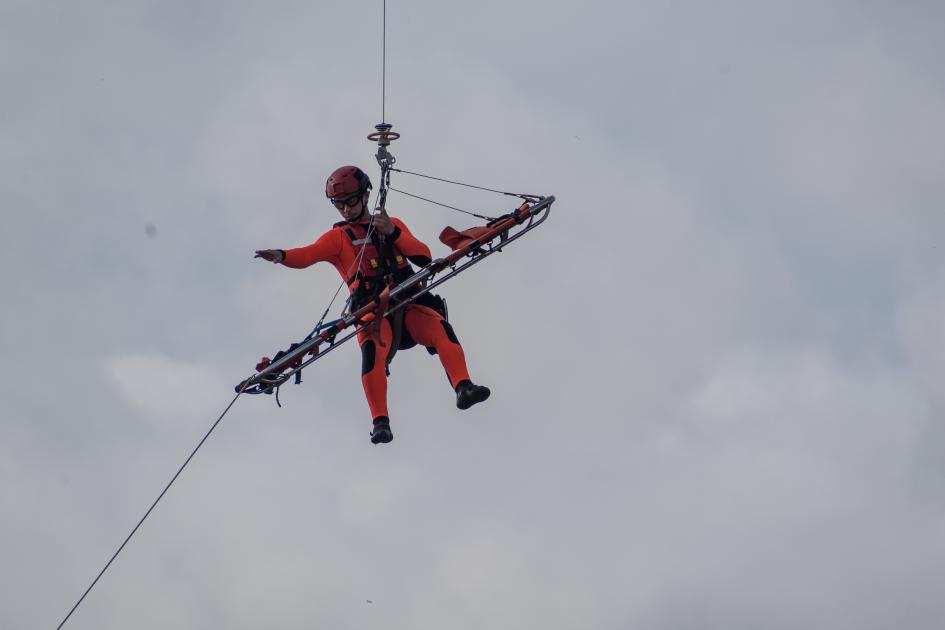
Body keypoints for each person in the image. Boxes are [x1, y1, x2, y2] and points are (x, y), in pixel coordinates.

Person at [254, 165, 490, 444]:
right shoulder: (338, 238)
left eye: (350, 201)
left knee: (441, 329)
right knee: (372, 354)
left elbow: (424, 256)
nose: (346, 209)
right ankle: (380, 422)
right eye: (339, 205)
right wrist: (281, 255)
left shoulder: (391, 225)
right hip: (374, 314)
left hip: (409, 301)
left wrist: (391, 232)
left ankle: (463, 388)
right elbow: (307, 255)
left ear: (365, 196)